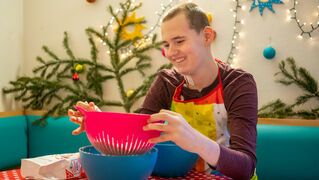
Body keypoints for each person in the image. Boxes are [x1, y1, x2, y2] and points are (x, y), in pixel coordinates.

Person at [68, 3, 257, 180]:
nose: (171, 52)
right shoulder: (167, 81)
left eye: (179, 41)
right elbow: (139, 137)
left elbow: (245, 168)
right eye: (166, 44)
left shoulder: (238, 83)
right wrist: (100, 123)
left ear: (207, 36)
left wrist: (194, 139)